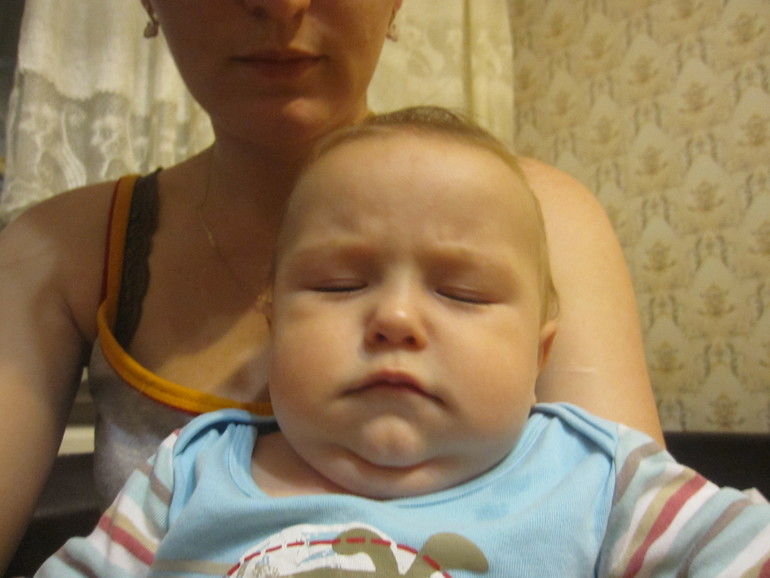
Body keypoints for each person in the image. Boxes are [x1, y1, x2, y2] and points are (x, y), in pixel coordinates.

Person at [0, 0, 663, 570]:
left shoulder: (543, 220)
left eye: (462, 293)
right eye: (339, 283)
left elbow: (628, 520)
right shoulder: (61, 250)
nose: (281, 4)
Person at [34, 107, 769, 577]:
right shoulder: (191, 472)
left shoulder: (598, 478)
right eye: (339, 284)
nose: (395, 318)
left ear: (538, 356)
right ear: (273, 320)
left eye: (462, 293)